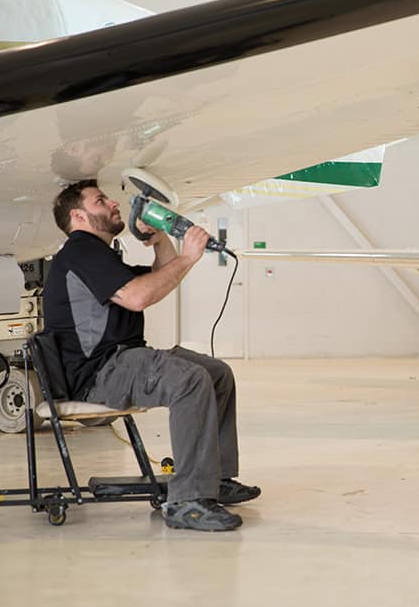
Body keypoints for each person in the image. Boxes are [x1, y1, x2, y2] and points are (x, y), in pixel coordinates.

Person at [42, 179, 259, 532]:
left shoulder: (101, 254)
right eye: (101, 200)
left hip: (124, 361)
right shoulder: (80, 250)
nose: (113, 203)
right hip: (99, 375)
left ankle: (213, 478)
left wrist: (158, 238)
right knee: (188, 380)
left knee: (216, 372)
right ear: (78, 216)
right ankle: (187, 501)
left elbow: (160, 276)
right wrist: (189, 255)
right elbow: (138, 297)